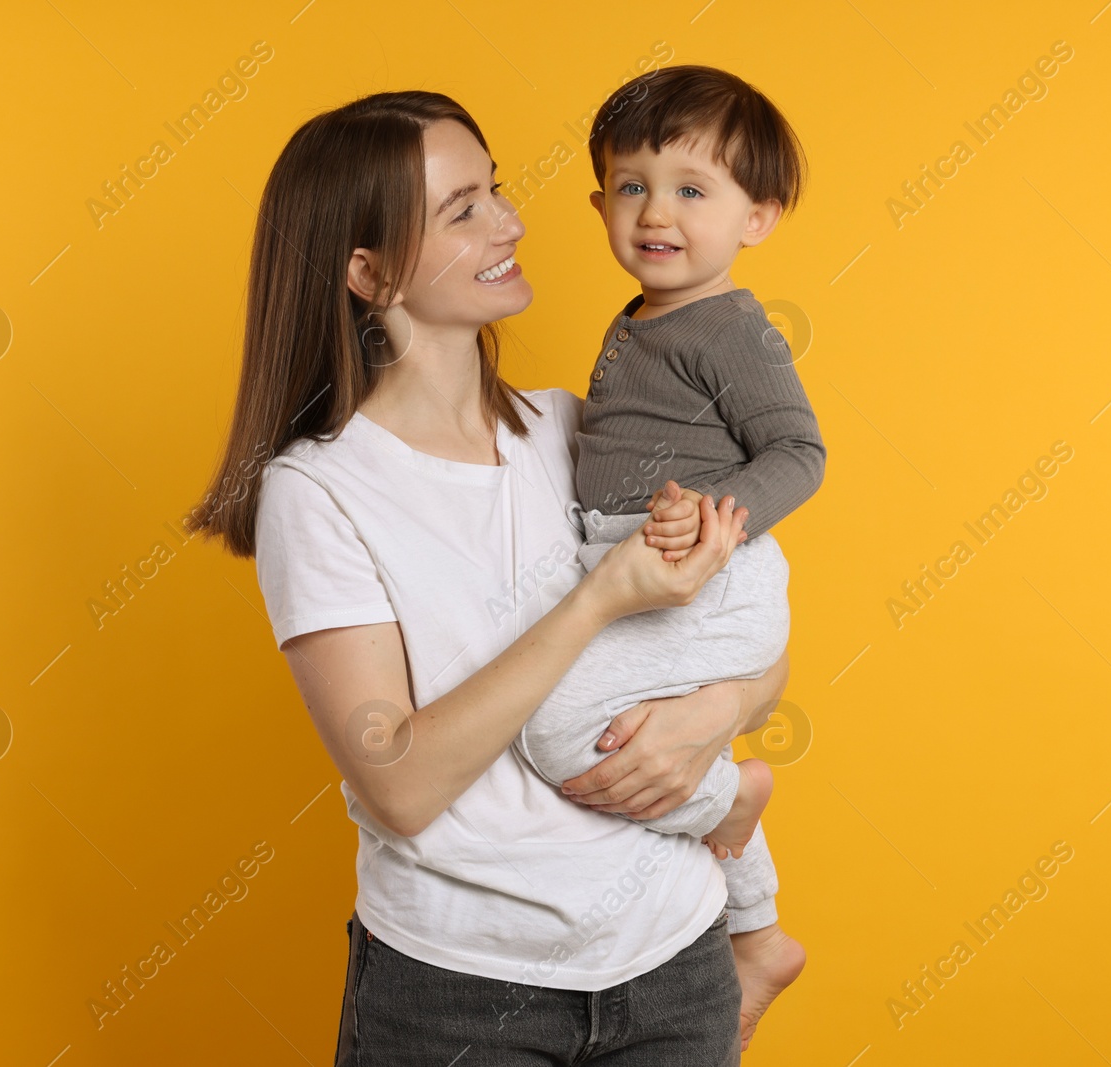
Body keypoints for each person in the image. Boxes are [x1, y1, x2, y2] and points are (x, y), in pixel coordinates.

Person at [191, 90, 792, 1065]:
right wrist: (601, 597)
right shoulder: (322, 490)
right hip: (457, 997)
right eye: (461, 207)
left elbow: (755, 649)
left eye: (497, 190)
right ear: (368, 269)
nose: (509, 222)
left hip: (675, 961)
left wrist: (716, 707)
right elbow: (401, 785)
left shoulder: (583, 429)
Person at [512, 64, 820, 1053]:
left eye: (693, 190)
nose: (657, 212)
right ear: (599, 202)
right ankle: (757, 933)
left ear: (755, 218)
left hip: (706, 578)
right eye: (632, 185)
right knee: (630, 729)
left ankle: (731, 807)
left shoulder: (728, 325)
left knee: (561, 730)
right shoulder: (646, 311)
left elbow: (799, 452)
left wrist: (718, 519)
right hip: (642, 569)